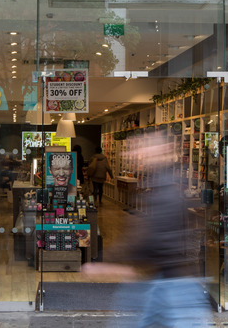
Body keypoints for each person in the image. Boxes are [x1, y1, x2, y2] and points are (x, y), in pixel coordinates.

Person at [82, 132, 211, 327]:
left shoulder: (164, 189)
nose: (137, 153)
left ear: (160, 152)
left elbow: (152, 238)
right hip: (163, 278)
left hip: (170, 282)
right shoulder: (162, 184)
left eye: (143, 149)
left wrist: (109, 261)